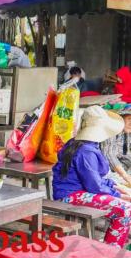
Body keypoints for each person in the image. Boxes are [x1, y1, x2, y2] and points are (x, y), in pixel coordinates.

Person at [52, 106, 131, 248]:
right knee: (125, 208)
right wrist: (118, 194)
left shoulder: (78, 142)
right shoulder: (86, 151)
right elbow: (94, 186)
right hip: (71, 195)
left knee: (125, 203)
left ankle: (116, 244)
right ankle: (111, 249)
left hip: (77, 190)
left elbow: (93, 178)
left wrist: (114, 185)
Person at [100, 109, 131, 187]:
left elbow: (125, 154)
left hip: (117, 170)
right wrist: (125, 176)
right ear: (121, 118)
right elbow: (109, 155)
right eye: (129, 119)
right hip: (102, 170)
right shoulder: (111, 130)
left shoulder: (126, 133)